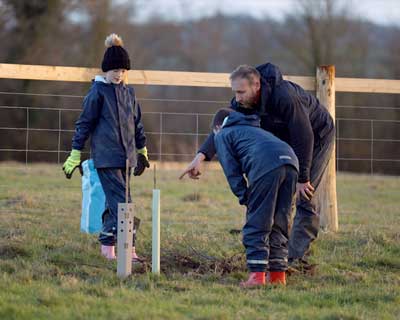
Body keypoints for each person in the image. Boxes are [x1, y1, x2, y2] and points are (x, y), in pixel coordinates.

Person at [180, 63, 335, 270]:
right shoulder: (242, 102)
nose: (237, 98)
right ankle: (274, 253)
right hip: (283, 141)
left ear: (257, 86)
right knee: (281, 197)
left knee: (304, 196)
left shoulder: (285, 97)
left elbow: (304, 135)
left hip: (316, 136)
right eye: (235, 92)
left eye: (241, 92)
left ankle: (295, 258)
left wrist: (303, 178)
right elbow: (223, 127)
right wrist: (201, 156)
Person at [62, 33, 150, 261]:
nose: (119, 75)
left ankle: (107, 248)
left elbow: (136, 123)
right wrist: (75, 153)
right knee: (124, 203)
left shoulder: (129, 93)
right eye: (115, 71)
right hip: (106, 158)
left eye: (123, 71)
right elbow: (84, 123)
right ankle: (128, 251)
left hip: (126, 158)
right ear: (105, 70)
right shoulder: (97, 92)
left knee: (117, 203)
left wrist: (141, 151)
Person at [212, 108, 298, 287]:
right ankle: (277, 276)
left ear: (217, 127)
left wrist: (246, 198)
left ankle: (257, 277)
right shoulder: (255, 128)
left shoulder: (222, 134)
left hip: (266, 165)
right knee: (280, 220)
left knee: (258, 221)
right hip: (291, 161)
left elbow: (232, 172)